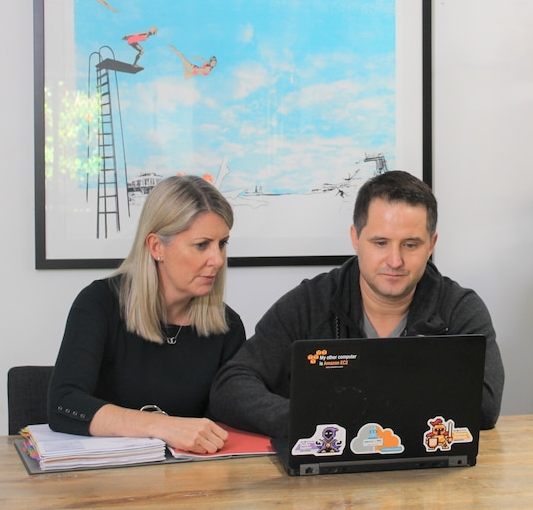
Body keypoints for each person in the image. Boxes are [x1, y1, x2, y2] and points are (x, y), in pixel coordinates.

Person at [209, 170, 504, 438]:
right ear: (355, 238)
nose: (395, 260)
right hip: (325, 484)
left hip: (429, 479)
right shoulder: (309, 303)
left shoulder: (460, 308)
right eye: (380, 243)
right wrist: (305, 419)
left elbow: (485, 406)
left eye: (411, 245)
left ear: (432, 244)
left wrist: (357, 410)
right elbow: (231, 386)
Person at [48, 175, 246, 454]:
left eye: (222, 243)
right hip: (104, 481)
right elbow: (63, 403)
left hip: (191, 483)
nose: (218, 259)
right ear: (156, 247)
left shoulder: (228, 326)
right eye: (202, 245)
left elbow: (228, 418)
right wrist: (161, 426)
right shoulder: (99, 304)